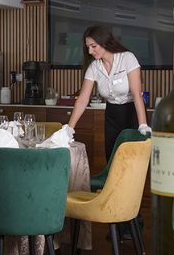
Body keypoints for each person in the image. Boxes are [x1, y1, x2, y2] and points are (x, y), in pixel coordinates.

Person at [65, 25, 151, 159]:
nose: (90, 51)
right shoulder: (94, 67)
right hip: (112, 114)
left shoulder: (127, 58)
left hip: (132, 112)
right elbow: (82, 99)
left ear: (104, 42)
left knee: (132, 158)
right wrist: (70, 128)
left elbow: (136, 94)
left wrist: (143, 124)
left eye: (93, 46)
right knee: (112, 157)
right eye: (88, 47)